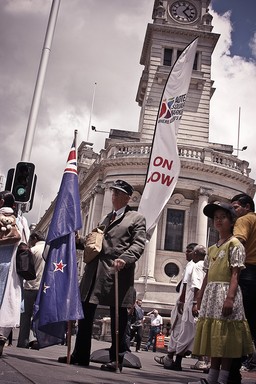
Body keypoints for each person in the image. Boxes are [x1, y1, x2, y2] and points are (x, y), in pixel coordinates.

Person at [58, 179, 146, 372]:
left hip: (117, 272)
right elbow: (94, 242)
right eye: (113, 193)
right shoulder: (107, 218)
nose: (114, 196)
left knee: (119, 317)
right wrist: (78, 240)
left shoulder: (136, 218)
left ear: (127, 197)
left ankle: (117, 358)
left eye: (118, 194)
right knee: (86, 312)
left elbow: (139, 244)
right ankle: (80, 354)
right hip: (94, 272)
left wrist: (125, 258)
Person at [189, 202, 253, 384]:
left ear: (232, 221)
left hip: (226, 292)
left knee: (225, 337)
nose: (218, 220)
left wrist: (230, 298)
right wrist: (199, 297)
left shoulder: (235, 245)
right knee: (215, 337)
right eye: (215, 217)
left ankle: (223, 378)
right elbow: (207, 275)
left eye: (223, 217)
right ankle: (212, 377)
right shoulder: (212, 248)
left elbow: (235, 273)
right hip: (212, 294)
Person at [155, 244, 207, 371]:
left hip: (189, 304)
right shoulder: (201, 266)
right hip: (192, 303)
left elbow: (194, 285)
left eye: (189, 252)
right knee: (188, 332)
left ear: (195, 254)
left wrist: (186, 302)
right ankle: (177, 358)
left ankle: (175, 359)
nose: (187, 254)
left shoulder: (195, 266)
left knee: (183, 331)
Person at [228, 193, 256, 383]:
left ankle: (232, 374)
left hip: (247, 274)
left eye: (236, 207)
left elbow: (238, 244)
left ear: (247, 207)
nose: (233, 211)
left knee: (238, 323)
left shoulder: (243, 220)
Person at [0, 191, 22, 357]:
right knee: (7, 300)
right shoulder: (21, 220)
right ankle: (1, 335)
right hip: (10, 267)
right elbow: (25, 243)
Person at [17, 230, 46, 349]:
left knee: (26, 315)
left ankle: (23, 341)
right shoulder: (51, 250)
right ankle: (37, 341)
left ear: (34, 238)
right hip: (44, 288)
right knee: (39, 315)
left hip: (31, 286)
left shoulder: (33, 251)